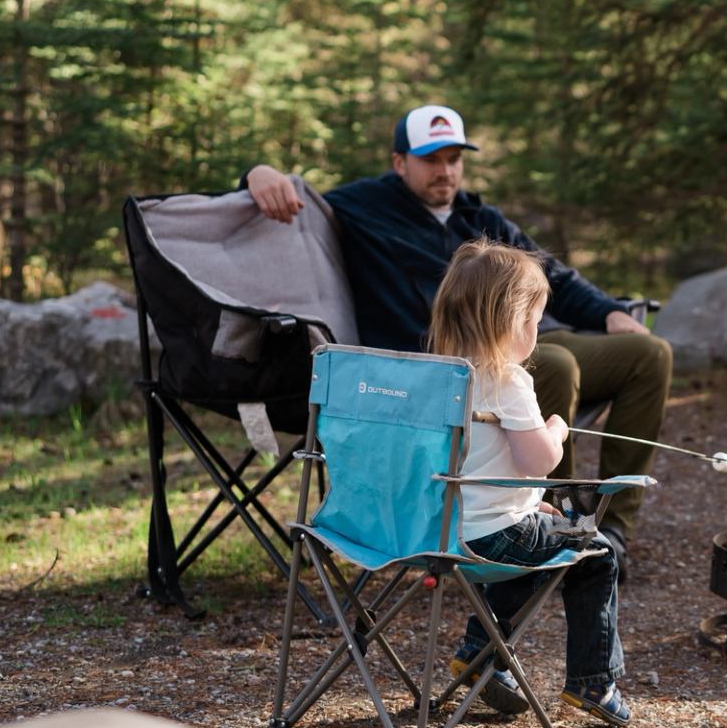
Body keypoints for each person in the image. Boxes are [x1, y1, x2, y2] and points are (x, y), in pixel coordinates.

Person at [243, 104, 671, 569]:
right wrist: (256, 173)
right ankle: (551, 526)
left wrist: (610, 312)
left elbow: (554, 276)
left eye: (454, 159)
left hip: (526, 338)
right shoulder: (362, 207)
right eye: (430, 159)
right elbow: (291, 203)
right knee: (554, 364)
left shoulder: (478, 216)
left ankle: (611, 528)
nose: (445, 171)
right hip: (447, 364)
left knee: (647, 352)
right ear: (399, 162)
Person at [426, 240, 629, 727]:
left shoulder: (438, 377)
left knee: (537, 540)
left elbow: (471, 466)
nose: (537, 332)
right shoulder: (508, 380)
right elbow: (539, 462)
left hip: (433, 530)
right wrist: (557, 430)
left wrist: (524, 504)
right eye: (535, 321)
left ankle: (481, 652)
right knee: (597, 554)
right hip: (490, 537)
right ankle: (593, 681)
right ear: (512, 322)